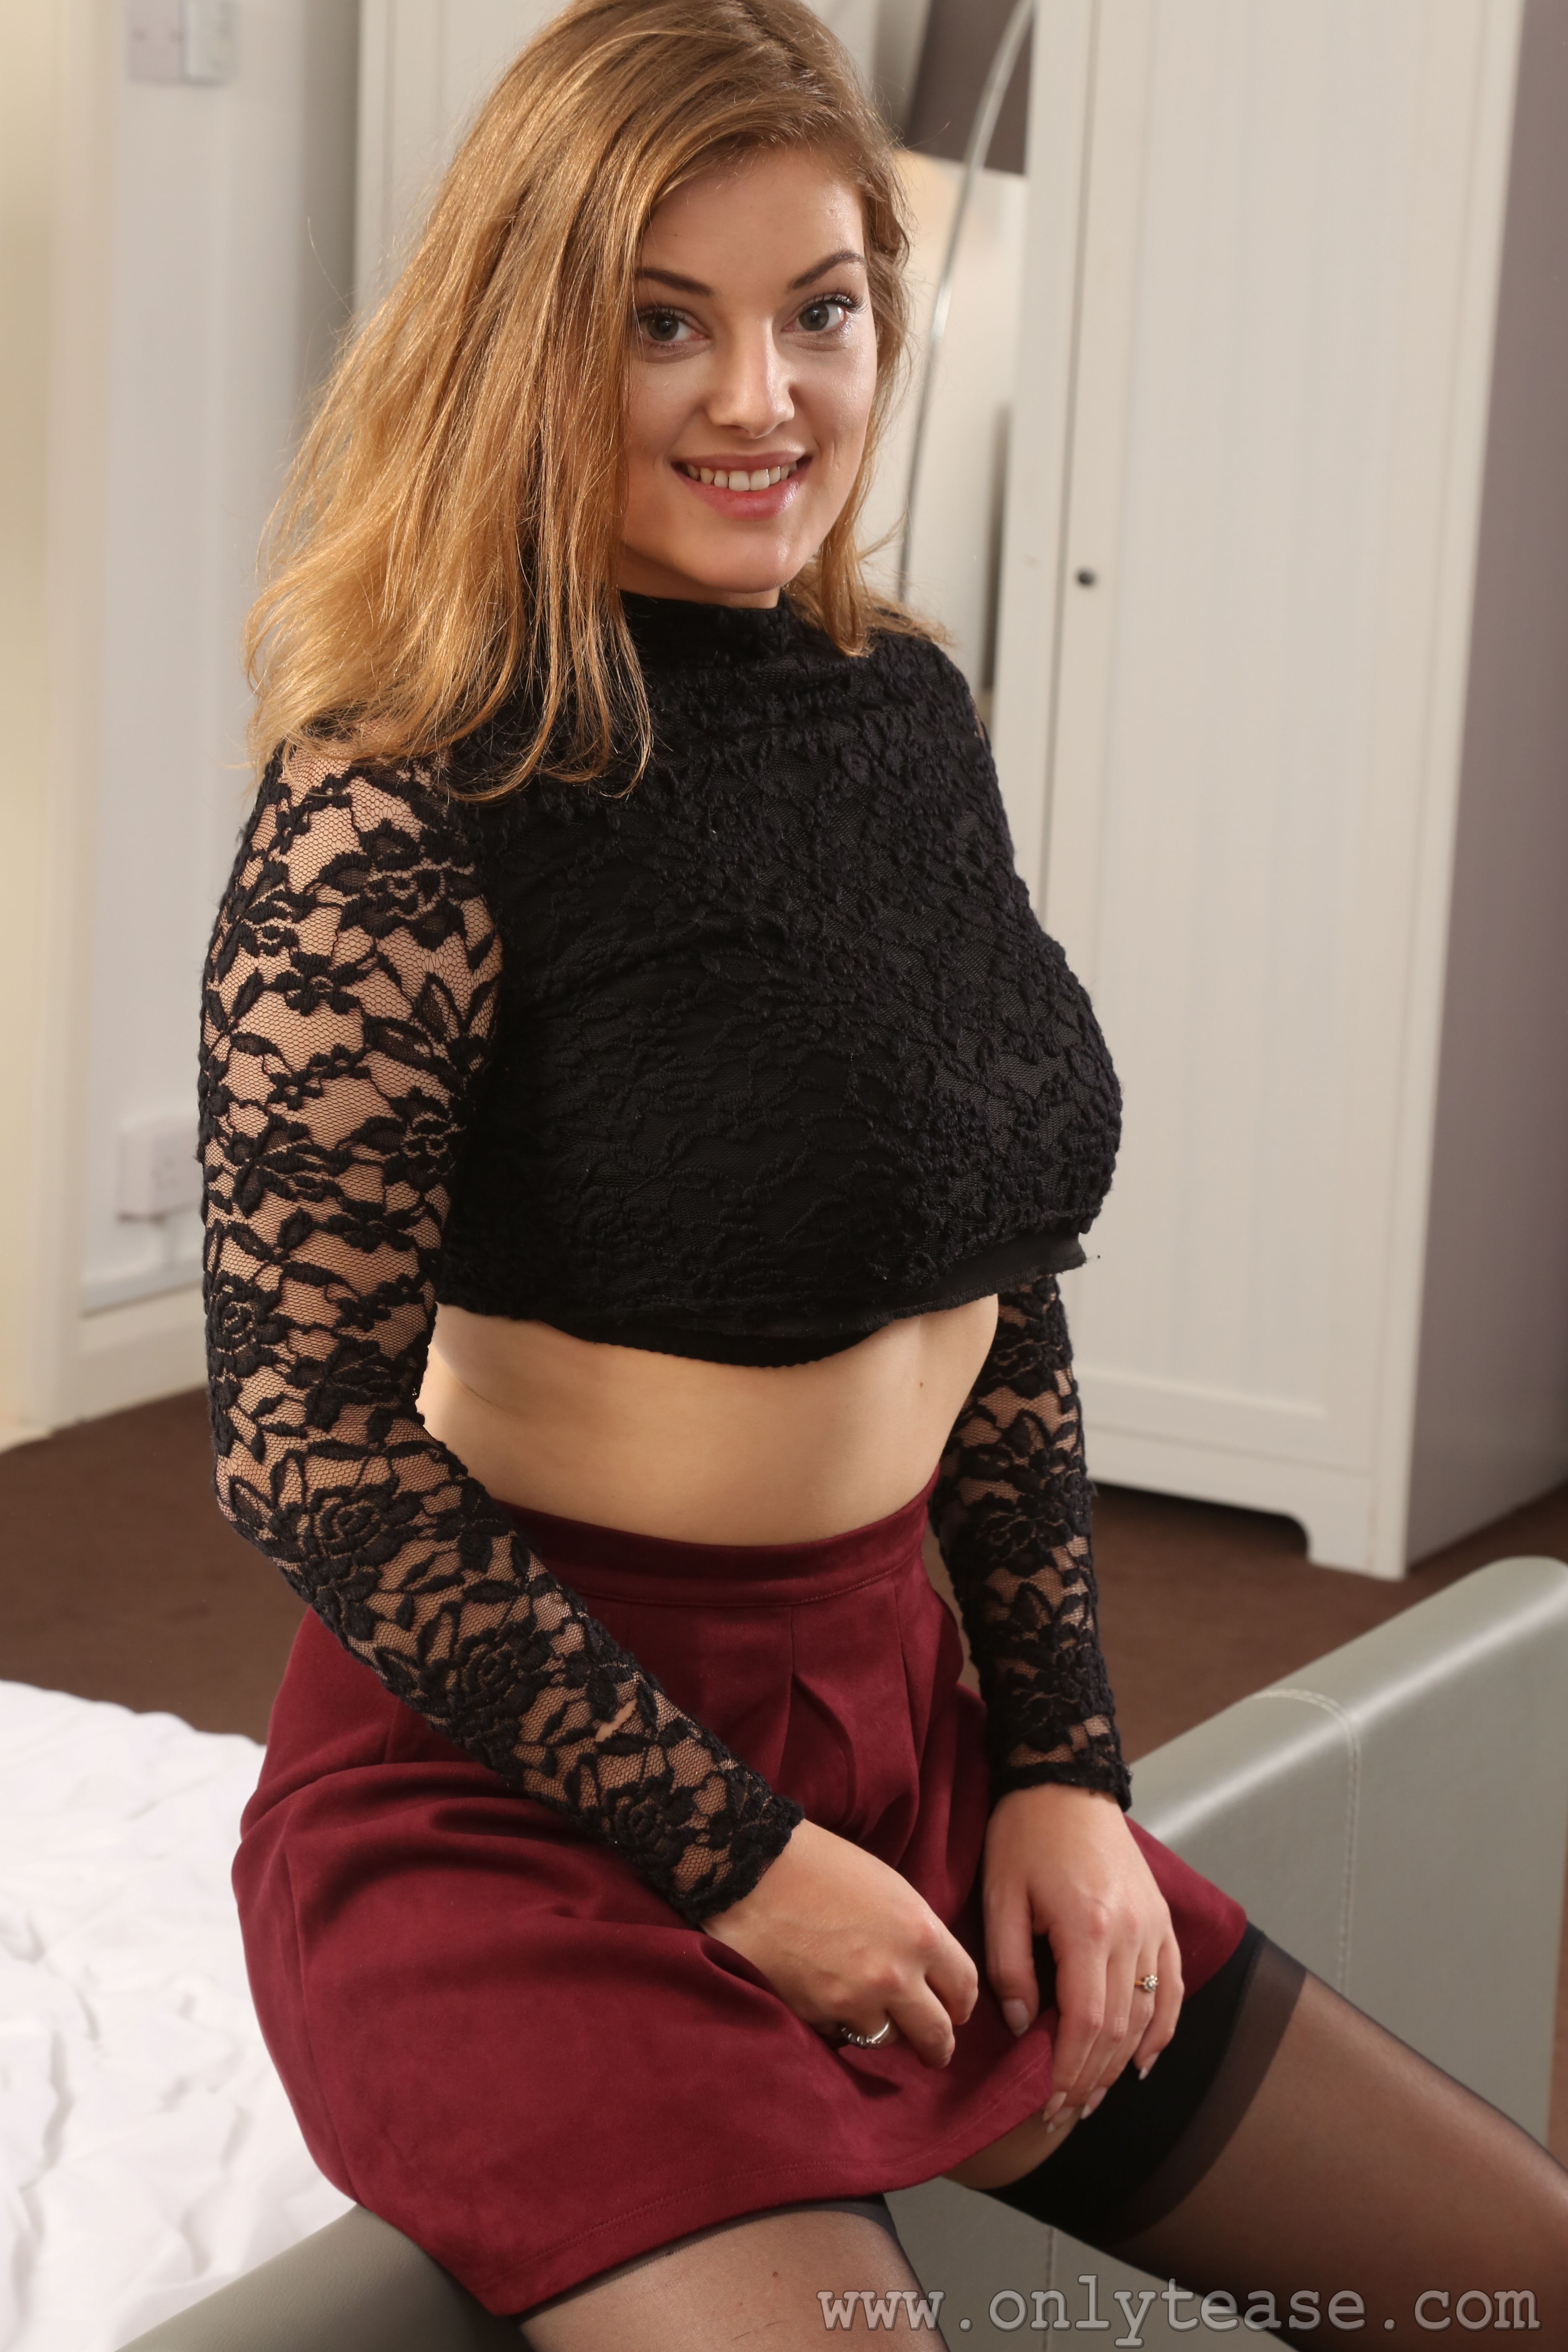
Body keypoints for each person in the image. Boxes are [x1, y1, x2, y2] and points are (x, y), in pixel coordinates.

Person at [199, 1, 1568, 2341]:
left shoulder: (902, 712)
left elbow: (993, 1281)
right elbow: (301, 1448)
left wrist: (1066, 1772)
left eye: (819, 313)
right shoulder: (398, 804)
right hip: (522, 1815)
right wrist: (741, 1862)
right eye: (665, 324)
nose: (763, 399)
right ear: (525, 340)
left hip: (904, 1738)